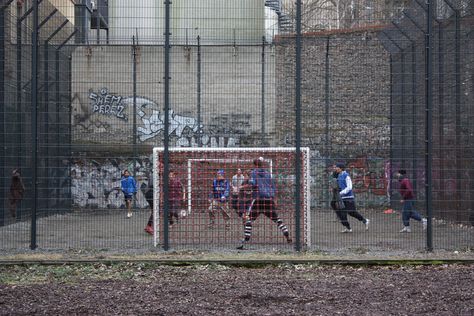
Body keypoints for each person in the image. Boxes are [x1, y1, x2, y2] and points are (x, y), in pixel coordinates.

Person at [237, 157, 292, 250]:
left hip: (258, 199)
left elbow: (252, 184)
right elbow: (273, 186)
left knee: (248, 219)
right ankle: (287, 234)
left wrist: (242, 186)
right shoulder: (267, 174)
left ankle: (245, 241)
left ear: (255, 165)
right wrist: (274, 198)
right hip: (269, 199)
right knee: (276, 219)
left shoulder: (254, 172)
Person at [333, 163, 370, 233]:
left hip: (348, 197)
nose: (335, 169)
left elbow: (349, 187)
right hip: (342, 198)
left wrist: (341, 193)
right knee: (342, 213)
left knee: (352, 212)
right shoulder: (339, 176)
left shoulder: (346, 176)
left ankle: (365, 220)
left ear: (340, 168)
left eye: (336, 167)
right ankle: (347, 228)